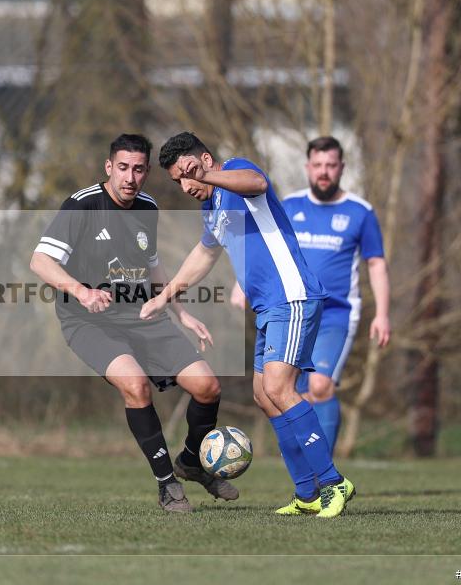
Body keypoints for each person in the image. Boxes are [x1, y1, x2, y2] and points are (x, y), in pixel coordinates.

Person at [141, 132, 354, 518]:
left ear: (205, 159)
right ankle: (306, 493)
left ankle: (333, 483)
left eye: (188, 173)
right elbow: (202, 256)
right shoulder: (212, 210)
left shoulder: (237, 171)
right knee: (264, 396)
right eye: (178, 181)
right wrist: (165, 295)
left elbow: (259, 183)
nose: (187, 185)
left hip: (292, 297)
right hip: (268, 308)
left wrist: (207, 176)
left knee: (280, 388)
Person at [30, 133, 236, 513]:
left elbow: (153, 264)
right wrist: (82, 291)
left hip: (140, 314)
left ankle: (191, 462)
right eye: (123, 168)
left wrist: (180, 310)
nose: (131, 177)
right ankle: (167, 485)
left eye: (139, 170)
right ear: (109, 167)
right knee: (137, 387)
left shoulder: (148, 207)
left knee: (207, 387)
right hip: (87, 321)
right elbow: (40, 261)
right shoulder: (82, 206)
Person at [230, 136, 390, 454]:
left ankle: (324, 472)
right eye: (318, 165)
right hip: (295, 310)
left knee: (320, 385)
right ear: (307, 167)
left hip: (336, 314)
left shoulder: (360, 212)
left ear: (342, 168)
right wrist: (241, 284)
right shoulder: (289, 205)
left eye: (331, 165)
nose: (324, 172)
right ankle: (308, 468)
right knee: (286, 392)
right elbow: (263, 247)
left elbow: (376, 263)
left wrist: (383, 314)